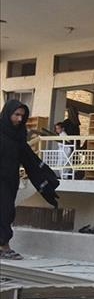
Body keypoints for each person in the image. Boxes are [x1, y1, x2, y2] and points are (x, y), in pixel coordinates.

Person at [0, 100, 60, 260]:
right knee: (4, 211)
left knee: (7, 212)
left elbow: (30, 160)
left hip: (10, 182)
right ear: (8, 113)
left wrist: (47, 179)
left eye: (22, 116)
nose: (20, 119)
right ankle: (4, 247)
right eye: (16, 115)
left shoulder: (18, 136)